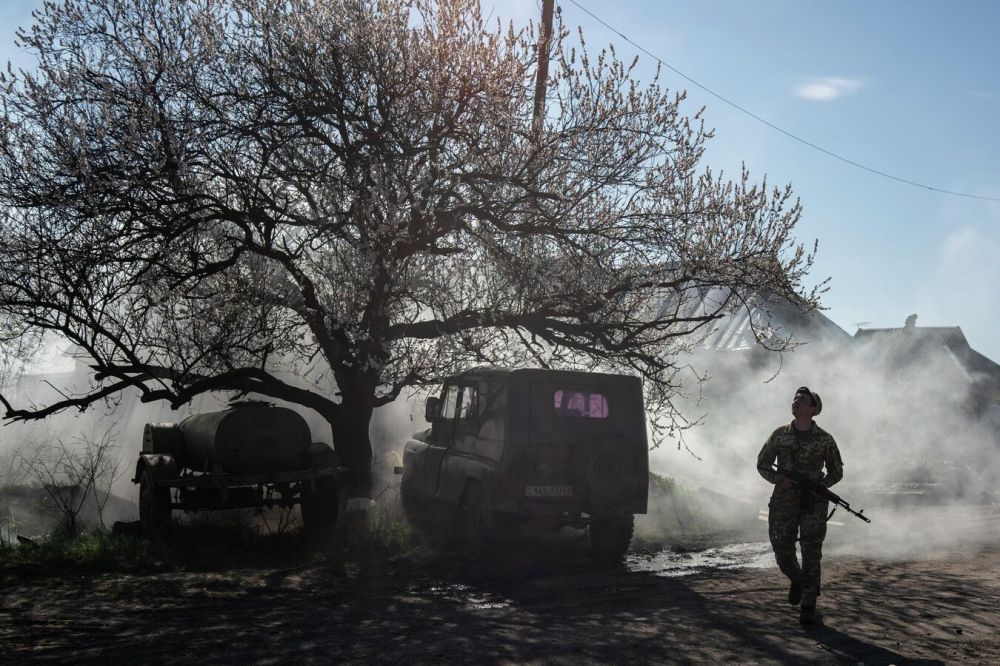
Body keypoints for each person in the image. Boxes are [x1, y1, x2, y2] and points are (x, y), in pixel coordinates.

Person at [757, 386, 844, 626]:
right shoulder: (779, 435)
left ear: (813, 409)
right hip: (783, 500)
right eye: (795, 398)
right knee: (781, 548)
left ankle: (808, 604)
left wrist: (821, 485)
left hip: (813, 503)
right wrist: (779, 480)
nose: (795, 401)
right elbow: (762, 464)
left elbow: (837, 471)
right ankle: (798, 579)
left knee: (811, 550)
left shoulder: (825, 439)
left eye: (802, 399)